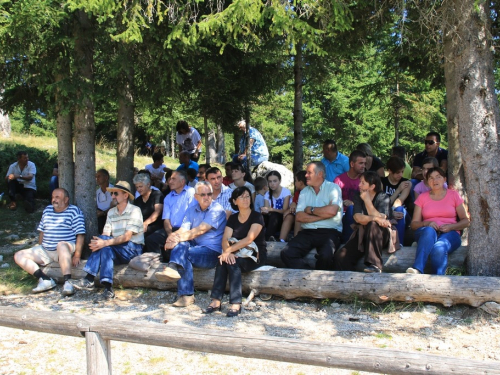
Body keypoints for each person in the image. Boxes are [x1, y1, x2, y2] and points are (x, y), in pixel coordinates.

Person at [155, 181, 226, 307]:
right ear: (196, 197)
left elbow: (200, 230)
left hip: (212, 252)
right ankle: (185, 293)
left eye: (209, 194)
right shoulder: (191, 210)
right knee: (181, 246)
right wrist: (173, 237)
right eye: (203, 194)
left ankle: (184, 291)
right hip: (196, 248)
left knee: (183, 253)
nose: (206, 197)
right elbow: (183, 230)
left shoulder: (217, 209)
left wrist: (176, 239)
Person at [71, 181, 144, 300]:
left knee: (104, 244)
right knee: (105, 247)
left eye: (116, 193)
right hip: (116, 247)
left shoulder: (135, 210)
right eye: (112, 194)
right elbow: (106, 234)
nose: (113, 196)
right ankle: (108, 288)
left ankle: (89, 278)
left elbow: (127, 237)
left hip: (133, 248)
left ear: (125, 195)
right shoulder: (111, 212)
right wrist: (99, 243)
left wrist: (103, 242)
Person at [203, 186, 267, 317]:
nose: (245, 199)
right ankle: (216, 301)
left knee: (232, 262)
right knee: (222, 261)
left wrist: (229, 251)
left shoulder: (257, 216)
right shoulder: (232, 218)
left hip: (254, 254)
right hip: (237, 252)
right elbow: (225, 239)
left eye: (248, 196)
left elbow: (249, 239)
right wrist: (228, 252)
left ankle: (236, 302)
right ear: (234, 201)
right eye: (241, 197)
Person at [14, 188, 85, 296]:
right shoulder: (47, 210)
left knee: (61, 245)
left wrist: (77, 254)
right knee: (19, 255)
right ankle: (45, 279)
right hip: (46, 249)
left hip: (65, 248)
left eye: (57, 197)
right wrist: (39, 247)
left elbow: (80, 234)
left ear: (66, 199)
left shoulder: (74, 211)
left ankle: (68, 282)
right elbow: (42, 231)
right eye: (53, 197)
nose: (54, 200)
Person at [280, 162, 343, 270]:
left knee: (326, 255)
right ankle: (308, 275)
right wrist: (324, 215)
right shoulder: (304, 192)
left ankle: (319, 282)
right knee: (286, 253)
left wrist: (311, 210)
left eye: (309, 173)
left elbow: (332, 211)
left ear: (320, 174)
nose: (305, 175)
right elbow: (299, 217)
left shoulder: (333, 188)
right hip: (308, 232)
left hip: (330, 232)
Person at [407, 167, 469, 275]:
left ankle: (438, 280)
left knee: (439, 248)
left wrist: (451, 227)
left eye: (438, 177)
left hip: (450, 233)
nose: (434, 181)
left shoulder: (453, 195)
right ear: (427, 181)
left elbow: (466, 221)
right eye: (431, 178)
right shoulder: (422, 197)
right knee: (429, 231)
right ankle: (417, 269)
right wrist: (427, 223)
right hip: (427, 231)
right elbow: (414, 224)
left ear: (444, 179)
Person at [333, 171, 398, 273]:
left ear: (372, 186)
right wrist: (375, 218)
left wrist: (367, 201)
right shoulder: (358, 195)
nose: (359, 185)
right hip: (363, 234)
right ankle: (352, 283)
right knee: (341, 256)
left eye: (363, 183)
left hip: (381, 235)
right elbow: (358, 218)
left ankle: (375, 265)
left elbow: (382, 218)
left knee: (373, 225)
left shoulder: (383, 197)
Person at [144, 171, 196, 260]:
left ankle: (173, 266)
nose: (170, 182)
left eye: (173, 179)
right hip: (171, 229)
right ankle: (157, 264)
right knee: (151, 240)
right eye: (170, 179)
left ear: (182, 181)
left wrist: (175, 235)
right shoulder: (168, 197)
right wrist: (170, 234)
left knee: (177, 244)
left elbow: (191, 216)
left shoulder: (191, 192)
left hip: (186, 229)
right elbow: (166, 220)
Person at [334, 150, 367, 243]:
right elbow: (332, 200)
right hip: (340, 215)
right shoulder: (339, 180)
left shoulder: (365, 181)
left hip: (360, 214)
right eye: (361, 163)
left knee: (352, 209)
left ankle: (348, 243)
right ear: (352, 164)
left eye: (365, 163)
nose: (364, 166)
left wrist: (353, 204)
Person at [381, 156, 414, 245]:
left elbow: (399, 201)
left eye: (402, 172)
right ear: (390, 171)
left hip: (403, 215)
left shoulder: (406, 183)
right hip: (386, 214)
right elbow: (383, 204)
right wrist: (398, 190)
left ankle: (398, 244)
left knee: (399, 209)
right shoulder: (382, 182)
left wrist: (390, 212)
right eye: (397, 172)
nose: (400, 175)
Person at [261, 171, 291, 240]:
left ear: (280, 181)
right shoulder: (267, 194)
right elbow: (266, 209)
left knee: (275, 215)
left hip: (282, 219)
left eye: (275, 181)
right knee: (262, 217)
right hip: (271, 219)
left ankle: (267, 238)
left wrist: (272, 209)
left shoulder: (286, 192)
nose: (272, 184)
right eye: (270, 181)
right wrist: (264, 210)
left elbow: (285, 210)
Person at [133, 173, 164, 238]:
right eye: (137, 187)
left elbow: (158, 211)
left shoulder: (157, 194)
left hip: (155, 226)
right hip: (141, 227)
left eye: (141, 186)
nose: (138, 189)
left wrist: (145, 223)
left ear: (148, 184)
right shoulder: (137, 200)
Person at [279, 170, 307, 242]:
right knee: (288, 217)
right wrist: (291, 207)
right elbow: (293, 203)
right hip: (296, 212)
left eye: (296, 181)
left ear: (301, 183)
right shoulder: (298, 193)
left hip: (304, 214)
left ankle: (296, 239)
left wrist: (289, 210)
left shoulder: (308, 192)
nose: (294, 183)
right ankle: (281, 240)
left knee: (298, 217)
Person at [96, 169, 114, 234]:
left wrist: (104, 213)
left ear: (106, 177)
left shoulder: (114, 190)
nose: (97, 179)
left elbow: (115, 206)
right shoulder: (97, 192)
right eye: (96, 177)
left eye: (99, 176)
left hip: (111, 215)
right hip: (100, 217)